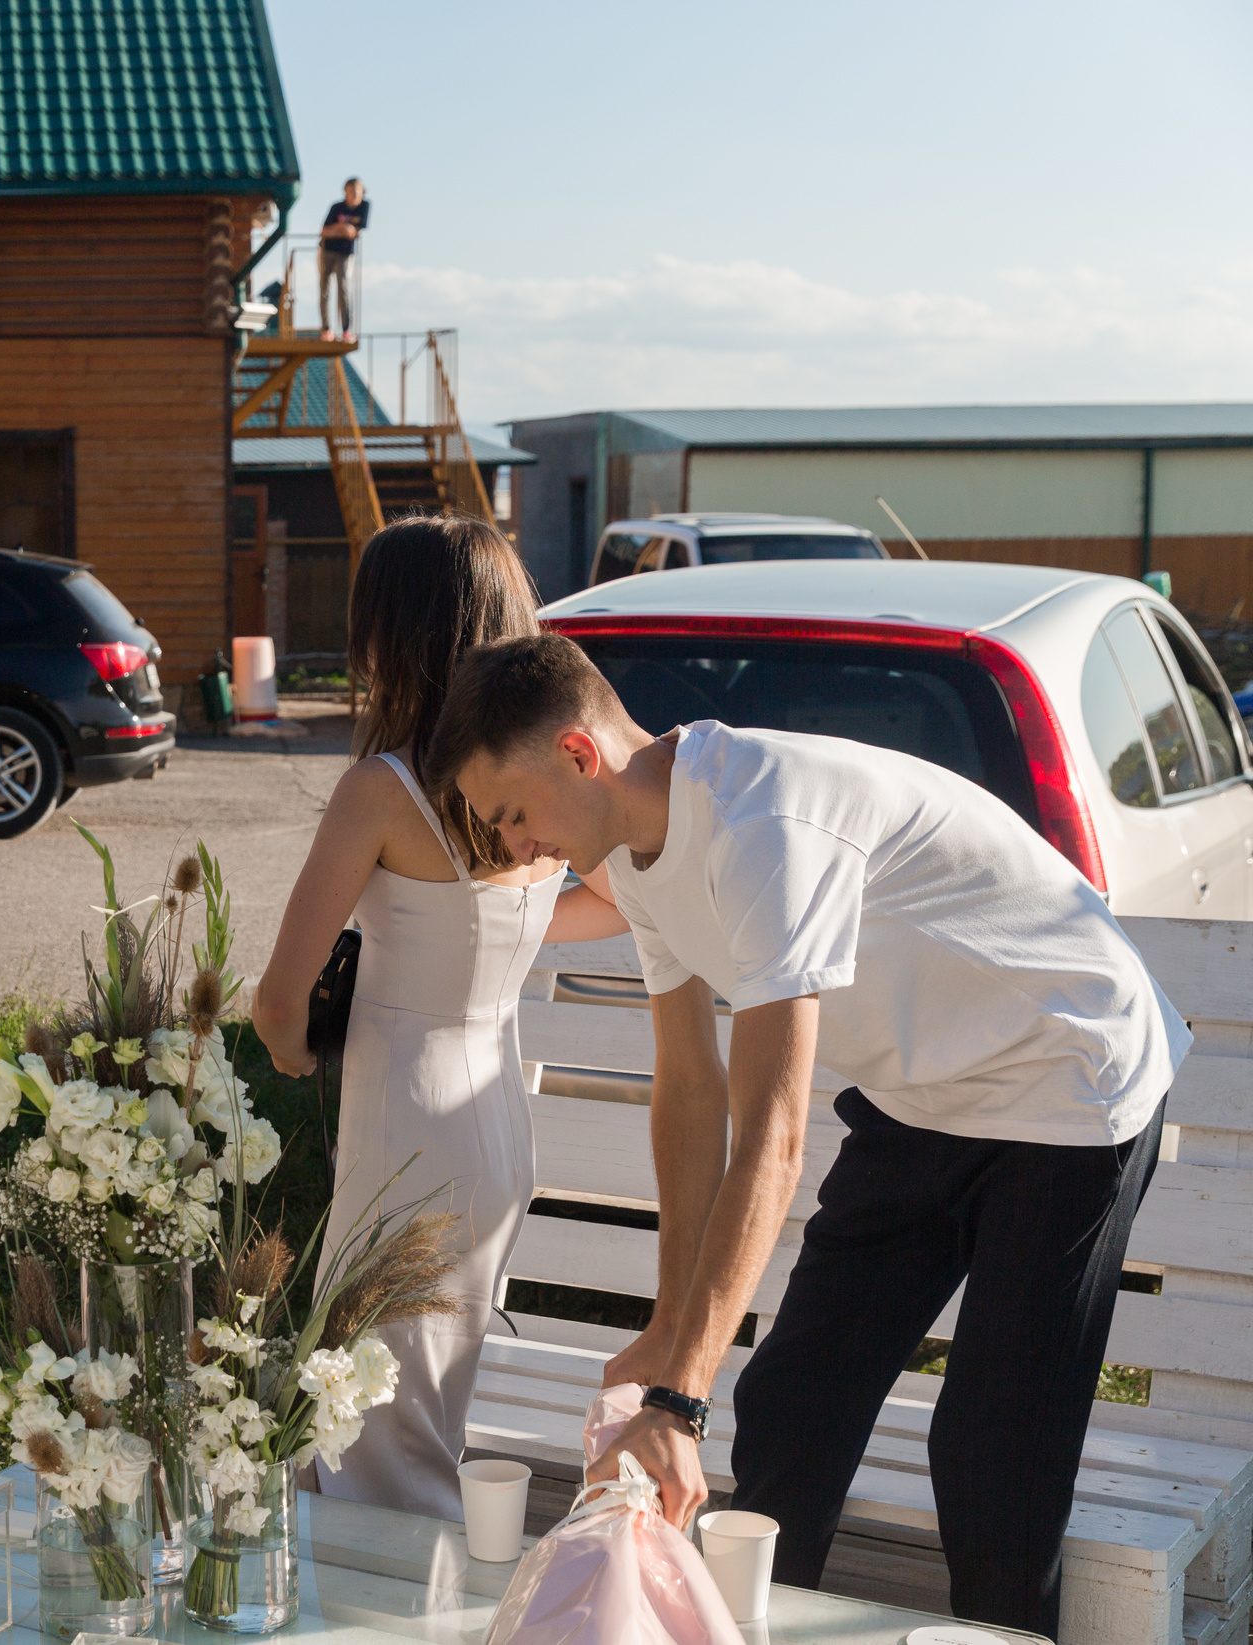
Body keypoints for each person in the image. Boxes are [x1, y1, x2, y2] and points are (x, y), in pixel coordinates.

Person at [427, 632, 1188, 1637]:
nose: (517, 847)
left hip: (1068, 1079)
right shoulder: (636, 854)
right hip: (925, 1095)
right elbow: (689, 1091)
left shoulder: (763, 825)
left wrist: (680, 1402)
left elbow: (772, 1135)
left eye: (513, 814)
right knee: (793, 1400)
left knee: (993, 1460)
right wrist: (671, 1329)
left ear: (577, 753)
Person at [249, 517, 626, 1521]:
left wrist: (294, 1053)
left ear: (395, 634)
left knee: (374, 1420)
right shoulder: (530, 790)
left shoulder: (383, 790)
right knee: (424, 1402)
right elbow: (619, 904)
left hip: (404, 1127)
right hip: (498, 1121)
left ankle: (403, 1595)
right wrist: (506, 928)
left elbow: (279, 1001)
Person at [317, 178, 368, 342]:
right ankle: (326, 329)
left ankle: (346, 329)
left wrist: (339, 229)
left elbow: (354, 232)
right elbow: (324, 231)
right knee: (324, 289)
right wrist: (343, 228)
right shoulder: (336, 207)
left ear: (362, 192)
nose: (353, 195)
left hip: (345, 254)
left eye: (356, 192)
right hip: (326, 250)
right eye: (350, 191)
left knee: (343, 288)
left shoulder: (364, 207)